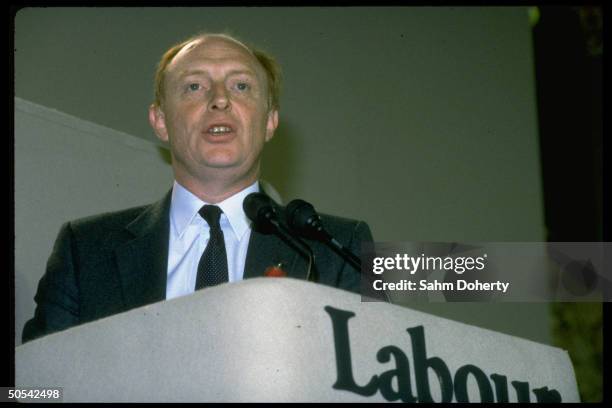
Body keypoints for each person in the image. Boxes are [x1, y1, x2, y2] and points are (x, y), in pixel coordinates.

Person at [22, 32, 373, 343]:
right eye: (194, 86)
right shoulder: (84, 250)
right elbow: (33, 387)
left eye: (241, 86)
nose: (219, 100)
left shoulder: (343, 248)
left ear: (269, 122)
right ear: (160, 121)